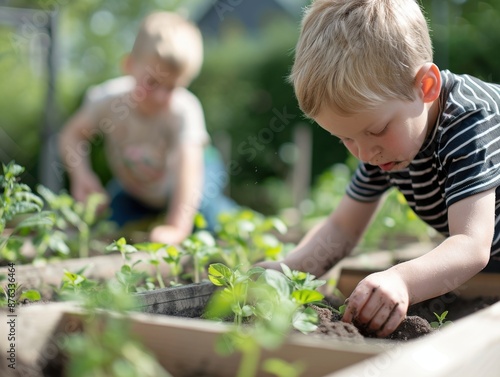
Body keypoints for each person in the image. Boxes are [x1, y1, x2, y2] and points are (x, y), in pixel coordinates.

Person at [258, 0, 500, 338]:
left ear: (425, 87)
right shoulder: (384, 146)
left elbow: (471, 245)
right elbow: (343, 228)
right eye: (345, 138)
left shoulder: (469, 120)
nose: (364, 153)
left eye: (375, 131)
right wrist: (285, 271)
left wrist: (401, 279)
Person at [58, 11, 236, 244]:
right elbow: (71, 136)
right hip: (137, 189)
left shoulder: (184, 110)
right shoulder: (107, 101)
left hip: (191, 178)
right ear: (129, 65)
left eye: (172, 87)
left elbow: (189, 175)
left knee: (208, 221)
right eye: (152, 83)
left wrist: (176, 227)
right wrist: (82, 176)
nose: (161, 96)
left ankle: (240, 221)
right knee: (110, 225)